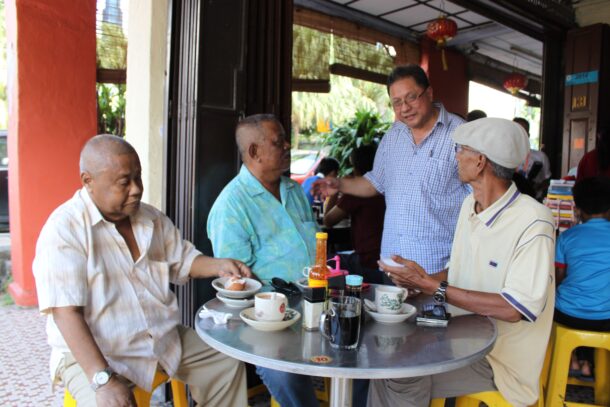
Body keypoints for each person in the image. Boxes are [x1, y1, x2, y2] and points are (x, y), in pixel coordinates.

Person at [33, 135, 250, 407]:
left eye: (138, 177)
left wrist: (220, 265)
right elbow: (66, 313)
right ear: (88, 181)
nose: (136, 189)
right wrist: (103, 379)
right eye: (124, 182)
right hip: (98, 353)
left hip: (160, 338)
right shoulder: (64, 230)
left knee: (225, 360)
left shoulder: (150, 218)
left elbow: (182, 260)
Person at [373, 118, 555, 407]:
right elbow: (458, 272)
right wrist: (418, 280)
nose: (455, 156)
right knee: (385, 357)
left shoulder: (534, 221)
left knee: (400, 373)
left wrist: (433, 286)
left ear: (480, 161)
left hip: (498, 361)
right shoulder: (470, 205)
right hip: (460, 336)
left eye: (460, 149)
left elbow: (513, 308)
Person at [314, 64, 470, 278]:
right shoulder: (393, 136)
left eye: (411, 97)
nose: (405, 107)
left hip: (436, 269)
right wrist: (339, 184)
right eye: (397, 102)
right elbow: (375, 183)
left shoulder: (460, 135)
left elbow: (478, 200)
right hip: (391, 268)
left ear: (430, 93)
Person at [207, 114, 320, 407]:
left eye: (285, 139)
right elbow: (237, 285)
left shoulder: (294, 191)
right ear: (254, 151)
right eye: (278, 141)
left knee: (362, 350)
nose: (287, 146)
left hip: (318, 301)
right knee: (284, 375)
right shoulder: (231, 205)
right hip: (270, 316)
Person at [554, 176, 610, 380]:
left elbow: (558, 277)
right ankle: (589, 362)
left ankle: (572, 359)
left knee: (551, 307)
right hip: (606, 318)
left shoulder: (567, 238)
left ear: (577, 208)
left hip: (568, 314)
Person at [323, 144, 385, 283]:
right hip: (384, 255)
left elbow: (328, 220)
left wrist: (336, 191)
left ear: (355, 167)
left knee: (326, 262)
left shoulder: (357, 193)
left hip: (367, 259)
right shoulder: (385, 186)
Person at [513, 117, 551, 200]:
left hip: (534, 200)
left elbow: (548, 180)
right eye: (516, 131)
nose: (519, 134)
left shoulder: (541, 157)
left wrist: (539, 186)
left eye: (523, 131)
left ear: (528, 135)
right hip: (510, 202)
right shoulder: (502, 156)